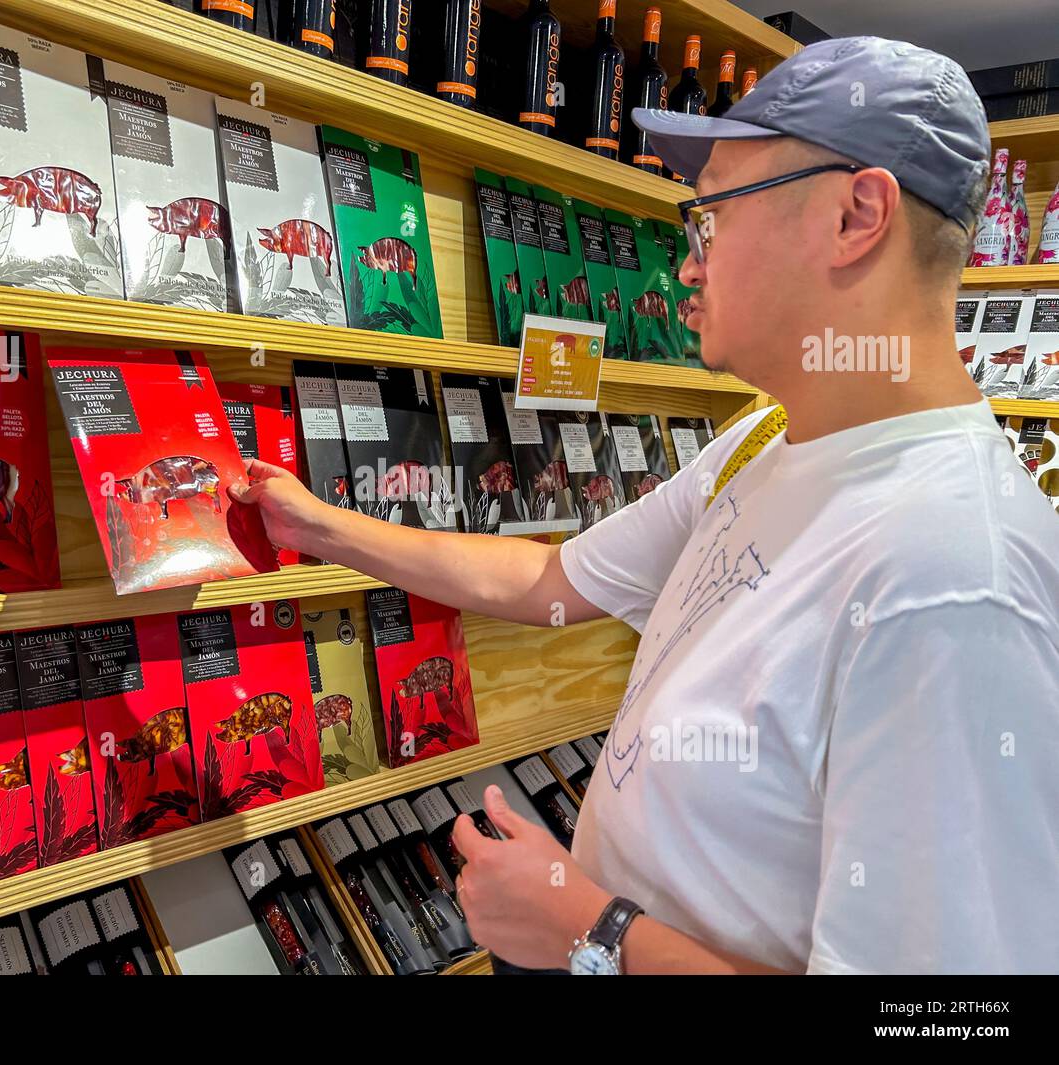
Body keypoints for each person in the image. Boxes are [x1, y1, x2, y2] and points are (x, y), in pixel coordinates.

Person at [229, 37, 1059, 974]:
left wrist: (593, 931)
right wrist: (315, 525)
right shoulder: (762, 442)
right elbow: (547, 574)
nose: (684, 267)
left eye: (711, 215)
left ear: (854, 215)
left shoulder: (955, 578)